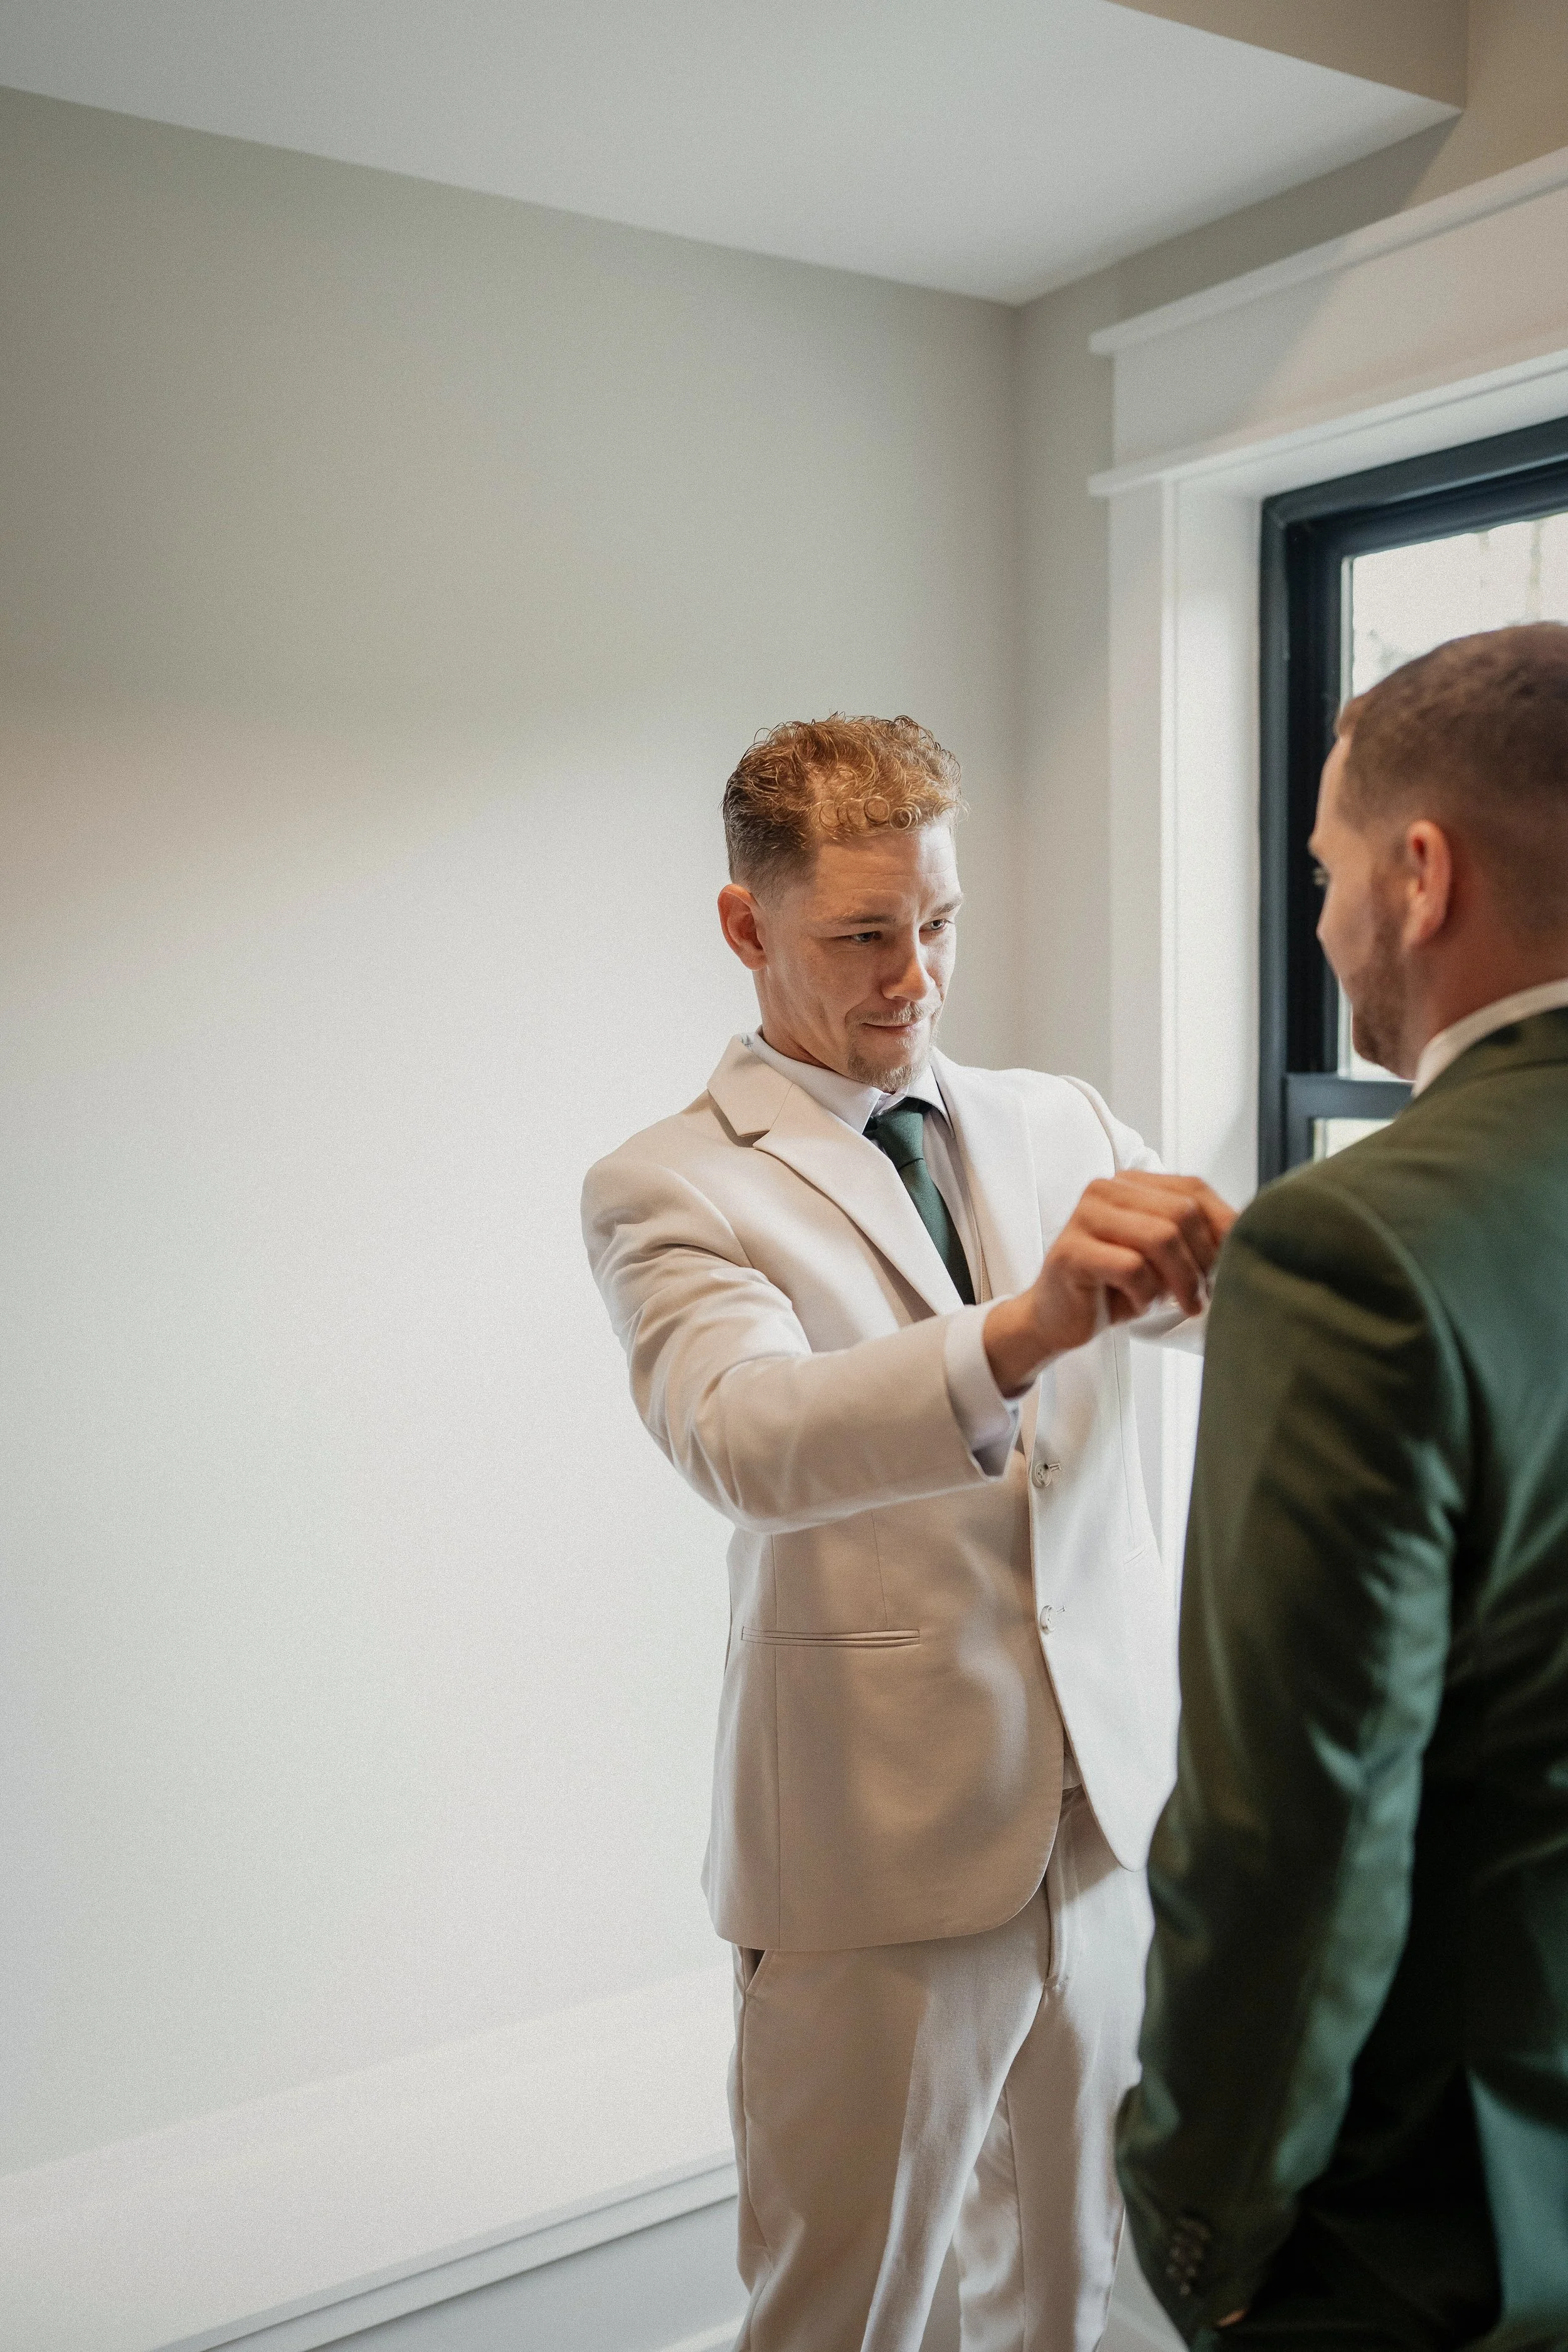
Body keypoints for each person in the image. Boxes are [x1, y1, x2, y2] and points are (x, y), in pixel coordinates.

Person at [583, 714, 1234, 2352]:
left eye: (936, 923)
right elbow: (740, 1432)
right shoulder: (666, 1183)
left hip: (1099, 1820)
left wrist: (1269, 1262)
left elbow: (1223, 1311)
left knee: (1071, 2293)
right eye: (863, 937)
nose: (915, 978)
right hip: (871, 1850)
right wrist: (1017, 1328)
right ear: (747, 926)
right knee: (845, 2316)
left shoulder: (1060, 1118)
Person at [1116, 622, 1568, 2352]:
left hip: (1446, 2221)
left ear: (1419, 873)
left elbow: (1290, 1832)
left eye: (1321, 871)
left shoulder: (1354, 1246)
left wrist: (1196, 2225)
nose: (1316, 924)